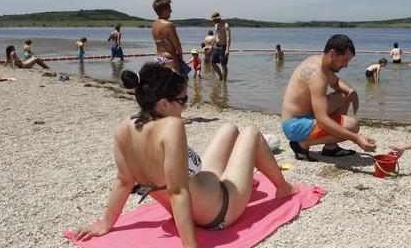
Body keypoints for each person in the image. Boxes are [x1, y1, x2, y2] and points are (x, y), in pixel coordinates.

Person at [72, 63, 298, 248]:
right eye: (182, 100)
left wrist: (106, 224)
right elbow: (178, 191)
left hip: (203, 190)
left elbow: (123, 181)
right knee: (251, 133)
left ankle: (246, 176)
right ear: (163, 103)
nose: (186, 106)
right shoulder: (171, 127)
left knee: (229, 128)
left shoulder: (123, 129)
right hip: (219, 212)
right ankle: (283, 188)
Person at [280, 34, 376, 162]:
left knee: (344, 96)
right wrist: (355, 138)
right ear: (332, 54)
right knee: (353, 125)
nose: (346, 65)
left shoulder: (318, 61)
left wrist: (351, 91)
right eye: (344, 60)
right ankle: (301, 145)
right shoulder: (317, 75)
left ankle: (331, 147)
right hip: (295, 125)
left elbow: (336, 83)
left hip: (302, 117)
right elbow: (322, 120)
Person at [151, 0, 190, 77]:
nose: (171, 11)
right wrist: (181, 60)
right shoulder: (169, 25)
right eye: (169, 9)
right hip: (170, 60)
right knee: (177, 87)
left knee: (162, 87)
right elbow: (177, 46)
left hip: (157, 60)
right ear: (164, 10)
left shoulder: (153, 25)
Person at [210, 12, 231, 81]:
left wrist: (227, 49)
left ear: (217, 18)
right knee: (212, 62)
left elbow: (228, 37)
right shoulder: (216, 25)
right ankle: (220, 76)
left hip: (223, 47)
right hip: (216, 46)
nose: (213, 21)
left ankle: (224, 81)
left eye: (214, 19)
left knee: (223, 65)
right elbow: (216, 36)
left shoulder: (226, 25)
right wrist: (211, 45)